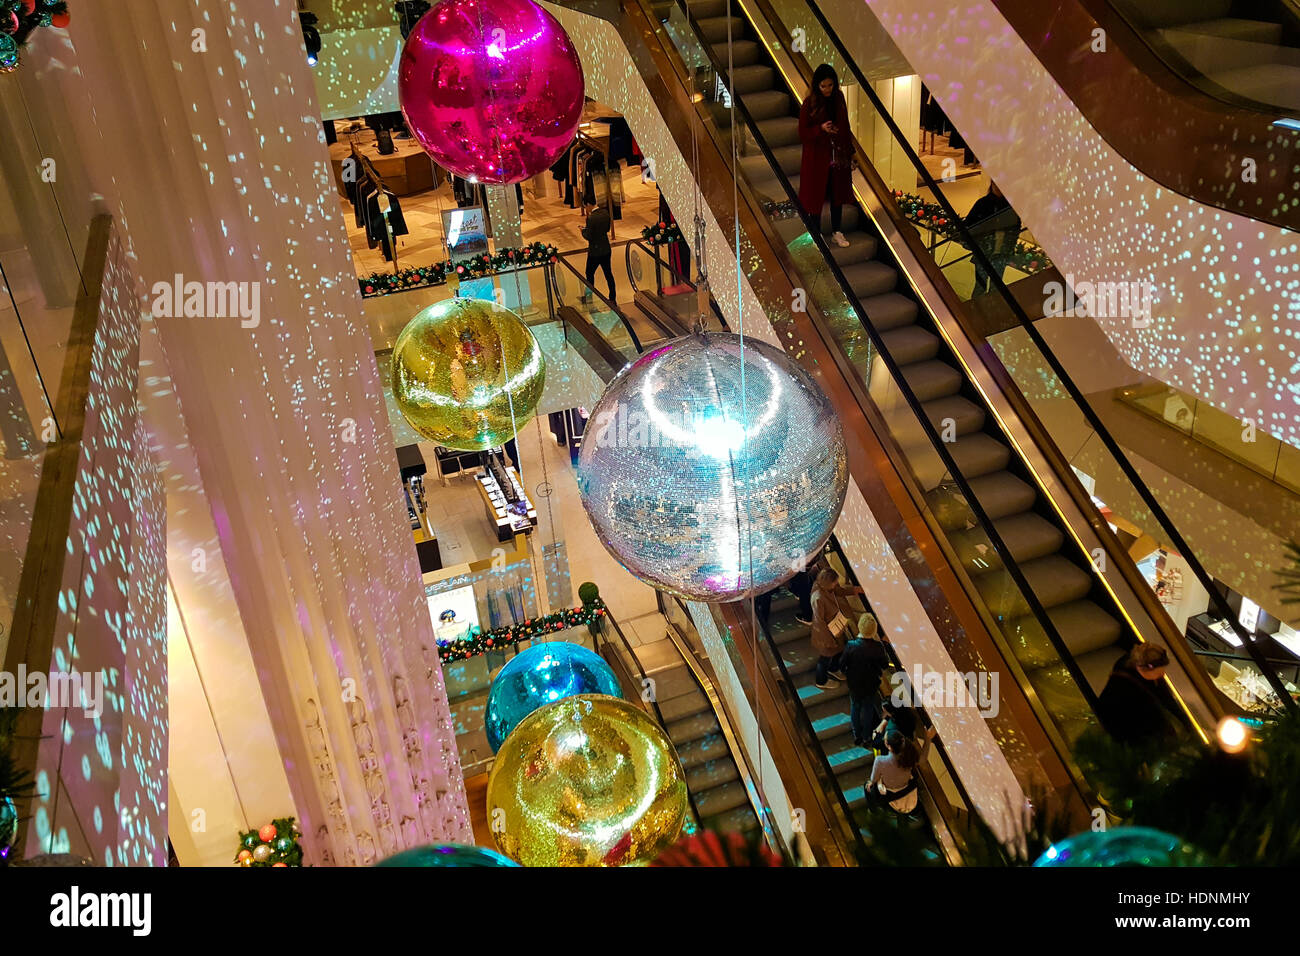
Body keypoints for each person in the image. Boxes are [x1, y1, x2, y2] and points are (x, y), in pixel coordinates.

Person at [798, 63, 853, 249]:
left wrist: (849, 151)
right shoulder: (809, 103)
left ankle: (837, 231)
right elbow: (803, 132)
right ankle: (816, 233)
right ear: (817, 86)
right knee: (816, 197)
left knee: (836, 194)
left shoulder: (838, 98)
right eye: (824, 86)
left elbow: (845, 125)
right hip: (817, 158)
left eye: (830, 85)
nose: (827, 89)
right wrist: (820, 129)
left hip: (836, 156)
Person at [1096, 644, 1183, 746]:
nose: (1163, 674)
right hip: (1128, 730)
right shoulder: (1124, 689)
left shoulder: (1139, 664)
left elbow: (1165, 698)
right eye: (1159, 672)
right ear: (1144, 669)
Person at [963, 180, 1020, 296]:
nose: (998, 188)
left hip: (1001, 255)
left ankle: (991, 309)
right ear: (991, 185)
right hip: (983, 254)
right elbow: (968, 225)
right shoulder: (982, 204)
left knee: (996, 289)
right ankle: (977, 310)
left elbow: (1016, 227)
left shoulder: (1011, 206)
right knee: (980, 286)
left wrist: (1010, 246)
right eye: (996, 184)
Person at [841, 612, 890, 747]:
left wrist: (849, 674)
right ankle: (867, 736)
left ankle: (857, 735)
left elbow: (842, 665)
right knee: (868, 710)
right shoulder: (878, 647)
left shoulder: (851, 645)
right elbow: (885, 665)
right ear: (874, 630)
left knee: (855, 708)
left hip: (855, 684)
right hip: (871, 685)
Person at [809, 567, 862, 689]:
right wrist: (828, 640)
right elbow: (819, 622)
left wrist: (854, 590)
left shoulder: (826, 588)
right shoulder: (818, 597)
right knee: (825, 658)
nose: (836, 584)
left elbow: (838, 591)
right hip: (826, 633)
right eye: (835, 582)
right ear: (828, 582)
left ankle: (834, 668)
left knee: (839, 650)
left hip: (835, 628)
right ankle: (821, 680)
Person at [868, 730, 921, 814]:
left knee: (867, 786)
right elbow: (922, 760)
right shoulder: (909, 755)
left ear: (889, 746)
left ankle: (873, 811)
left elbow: (874, 779)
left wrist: (871, 782)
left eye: (884, 740)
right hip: (909, 795)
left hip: (894, 799)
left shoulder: (880, 760)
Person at [580, 205, 615, 302]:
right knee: (608, 274)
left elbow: (589, 236)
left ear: (588, 204)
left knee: (589, 273)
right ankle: (613, 298)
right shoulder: (605, 213)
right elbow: (607, 229)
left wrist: (582, 231)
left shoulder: (591, 218)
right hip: (606, 248)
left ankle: (589, 297)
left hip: (595, 252)